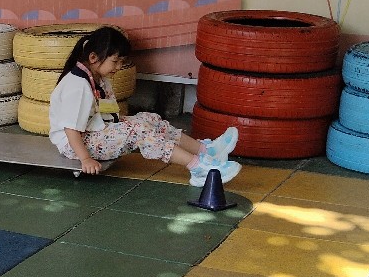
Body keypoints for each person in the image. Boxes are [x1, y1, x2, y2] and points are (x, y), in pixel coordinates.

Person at [48, 26, 240, 185]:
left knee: (149, 119)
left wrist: (123, 125)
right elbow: (71, 129)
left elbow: (108, 111)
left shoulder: (98, 77)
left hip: (95, 129)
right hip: (75, 144)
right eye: (115, 61)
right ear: (93, 58)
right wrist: (85, 159)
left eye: (121, 62)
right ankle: (198, 168)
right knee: (139, 131)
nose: (118, 67)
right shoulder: (78, 85)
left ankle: (206, 151)